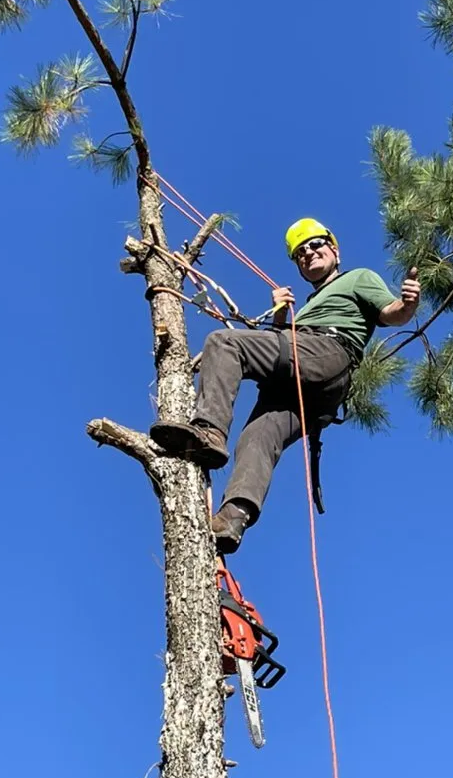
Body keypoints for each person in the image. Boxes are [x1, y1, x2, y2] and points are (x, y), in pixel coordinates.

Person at [149, 218, 421, 554]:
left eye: (315, 245)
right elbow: (280, 348)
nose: (308, 253)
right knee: (257, 437)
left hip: (326, 352)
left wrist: (407, 304)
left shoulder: (357, 278)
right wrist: (280, 316)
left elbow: (390, 312)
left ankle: (209, 430)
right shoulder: (306, 307)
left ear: (334, 250)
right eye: (300, 253)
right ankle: (233, 518)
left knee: (224, 344)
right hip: (312, 382)